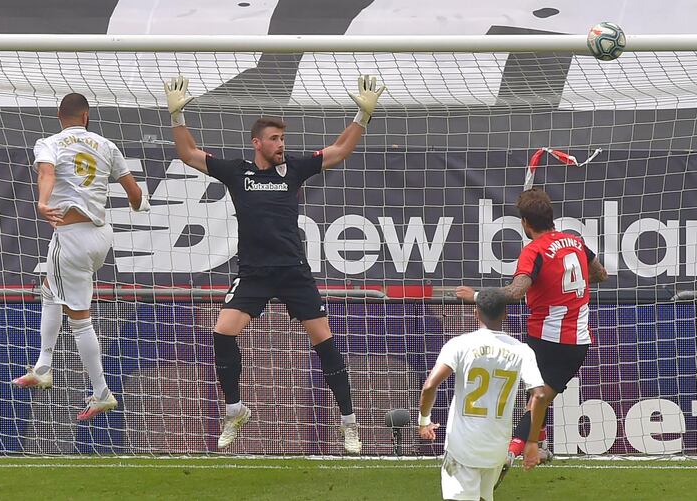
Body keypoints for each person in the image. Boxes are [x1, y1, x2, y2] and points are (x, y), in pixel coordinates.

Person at [164, 75, 386, 454]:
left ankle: (349, 424)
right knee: (222, 333)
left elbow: (338, 151)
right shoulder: (237, 171)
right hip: (253, 274)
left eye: (283, 139)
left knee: (325, 345)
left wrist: (361, 118)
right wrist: (176, 115)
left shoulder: (295, 169)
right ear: (257, 144)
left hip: (293, 272)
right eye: (274, 139)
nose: (281, 145)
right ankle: (235, 410)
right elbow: (189, 155)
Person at [12, 93, 150, 421]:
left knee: (79, 318)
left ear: (59, 116)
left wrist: (43, 201)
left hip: (71, 237)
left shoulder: (49, 142)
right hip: (101, 237)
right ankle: (43, 365)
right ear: (86, 116)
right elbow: (134, 195)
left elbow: (46, 173)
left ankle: (101, 391)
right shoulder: (106, 145)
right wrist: (139, 204)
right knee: (49, 289)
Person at [456, 187, 608, 477]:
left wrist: (478, 296)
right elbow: (601, 275)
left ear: (525, 223)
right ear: (550, 216)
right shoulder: (576, 242)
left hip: (543, 339)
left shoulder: (534, 250)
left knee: (533, 397)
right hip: (575, 342)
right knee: (538, 397)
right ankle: (528, 447)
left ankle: (511, 451)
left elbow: (515, 292)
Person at [418, 288, 549, 501]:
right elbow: (541, 396)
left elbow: (430, 386)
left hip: (463, 447)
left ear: (476, 313)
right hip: (496, 449)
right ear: (505, 314)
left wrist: (424, 421)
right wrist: (532, 442)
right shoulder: (523, 351)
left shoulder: (460, 344)